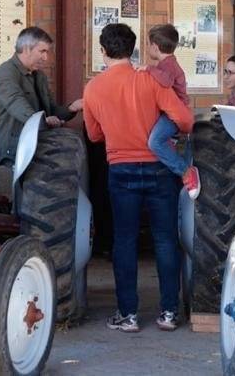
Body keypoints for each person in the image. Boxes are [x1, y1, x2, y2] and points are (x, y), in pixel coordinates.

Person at [83, 23, 194, 333]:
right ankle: (169, 313)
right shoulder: (151, 80)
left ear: (102, 51)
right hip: (160, 170)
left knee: (125, 241)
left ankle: (128, 315)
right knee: (165, 240)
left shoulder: (93, 88)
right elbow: (185, 121)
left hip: (120, 170)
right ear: (133, 50)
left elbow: (93, 135)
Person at [0, 26, 82, 166]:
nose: (46, 58)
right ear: (27, 49)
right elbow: (16, 103)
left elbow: (52, 110)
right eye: (42, 51)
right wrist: (44, 120)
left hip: (38, 142)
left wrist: (72, 108)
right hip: (16, 147)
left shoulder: (39, 76)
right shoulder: (6, 72)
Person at [140, 24, 200, 199]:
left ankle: (186, 172)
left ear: (155, 47)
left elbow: (165, 82)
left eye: (148, 44)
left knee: (155, 142)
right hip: (169, 112)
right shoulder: (167, 63)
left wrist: (148, 69)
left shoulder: (168, 65)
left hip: (174, 115)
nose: (147, 47)